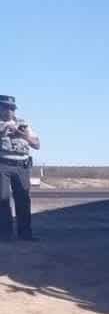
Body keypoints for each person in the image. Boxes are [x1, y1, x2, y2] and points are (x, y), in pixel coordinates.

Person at [0, 95, 41, 242]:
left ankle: (25, 233)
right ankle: (5, 235)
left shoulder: (23, 124)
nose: (10, 111)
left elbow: (36, 145)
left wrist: (22, 135)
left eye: (12, 108)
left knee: (23, 200)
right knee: (3, 200)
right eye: (6, 108)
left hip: (22, 166)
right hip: (2, 165)